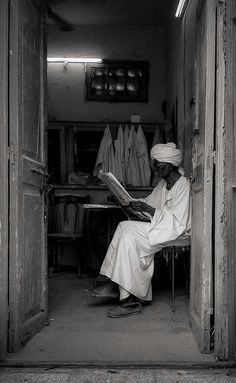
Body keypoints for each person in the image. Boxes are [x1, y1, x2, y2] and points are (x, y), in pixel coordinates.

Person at [92, 142, 191, 318]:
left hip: (175, 231)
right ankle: (123, 294)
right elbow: (148, 202)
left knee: (128, 234)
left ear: (169, 165)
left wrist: (149, 210)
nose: (154, 169)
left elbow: (180, 222)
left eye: (157, 165)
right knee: (125, 228)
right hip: (161, 227)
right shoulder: (163, 185)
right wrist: (124, 201)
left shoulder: (183, 186)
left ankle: (120, 291)